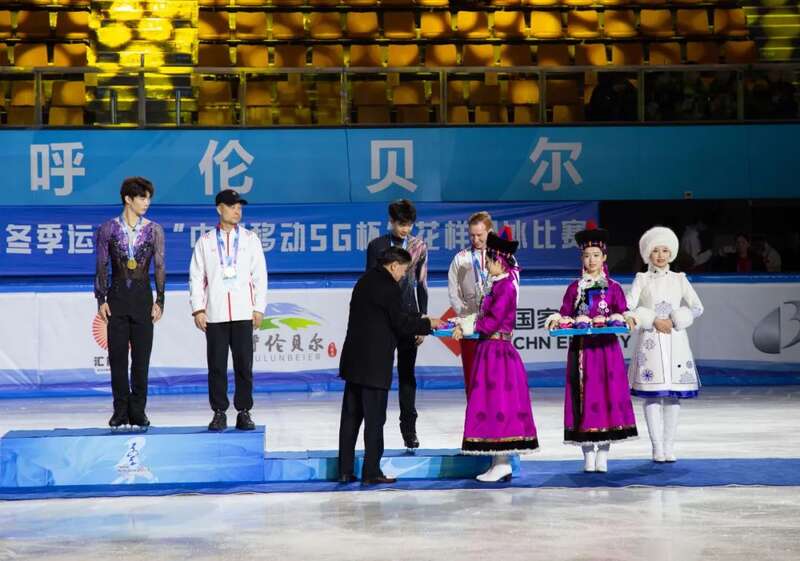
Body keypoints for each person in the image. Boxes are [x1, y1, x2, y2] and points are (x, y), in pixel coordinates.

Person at [338, 247, 441, 485]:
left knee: (351, 419)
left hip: (353, 362)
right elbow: (401, 323)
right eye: (403, 271)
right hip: (374, 365)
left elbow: (388, 317)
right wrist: (428, 324)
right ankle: (371, 472)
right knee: (374, 420)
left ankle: (344, 470)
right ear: (394, 266)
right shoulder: (389, 287)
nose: (403, 275)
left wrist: (419, 320)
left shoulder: (364, 281)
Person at [546, 222, 637, 473]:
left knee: (607, 397)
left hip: (607, 352)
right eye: (587, 255)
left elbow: (623, 311)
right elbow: (565, 313)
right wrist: (557, 319)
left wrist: (628, 318)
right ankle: (587, 453)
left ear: (604, 257)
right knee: (583, 399)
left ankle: (603, 454)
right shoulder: (574, 288)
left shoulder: (614, 288)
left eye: (596, 255)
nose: (591, 260)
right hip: (582, 352)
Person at [453, 228, 539, 482]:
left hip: (498, 354)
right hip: (489, 351)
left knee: (499, 403)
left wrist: (468, 326)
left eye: (490, 261)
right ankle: (497, 461)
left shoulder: (506, 288)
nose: (486, 264)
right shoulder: (496, 285)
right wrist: (465, 322)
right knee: (490, 404)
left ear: (500, 262)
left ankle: (502, 462)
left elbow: (491, 322)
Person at [189, 189, 268, 431]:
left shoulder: (250, 239)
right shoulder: (205, 242)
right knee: (216, 366)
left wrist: (258, 308)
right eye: (232, 206)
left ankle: (244, 411)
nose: (237, 211)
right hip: (215, 313)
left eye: (239, 207)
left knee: (244, 364)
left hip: (244, 312)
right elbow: (196, 277)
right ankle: (219, 412)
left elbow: (260, 275)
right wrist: (198, 309)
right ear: (219, 208)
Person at [627, 227, 704, 463]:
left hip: (675, 339)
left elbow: (697, 307)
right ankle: (656, 447)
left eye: (664, 250)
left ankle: (669, 446)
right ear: (647, 254)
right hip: (651, 340)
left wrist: (677, 318)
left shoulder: (679, 279)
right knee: (653, 395)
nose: (660, 255)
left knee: (673, 396)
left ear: (671, 253)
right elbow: (628, 306)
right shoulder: (642, 279)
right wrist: (650, 319)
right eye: (655, 250)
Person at [95, 177, 165, 430]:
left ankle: (138, 410)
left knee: (141, 359)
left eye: (149, 198)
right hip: (116, 297)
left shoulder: (154, 230)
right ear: (128, 199)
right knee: (117, 359)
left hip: (143, 297)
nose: (147, 203)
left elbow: (160, 266)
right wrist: (101, 298)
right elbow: (101, 265)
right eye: (142, 198)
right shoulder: (108, 229)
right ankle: (120, 410)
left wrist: (160, 299)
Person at [365, 199, 428, 449]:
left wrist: (422, 318)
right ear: (391, 221)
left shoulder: (418, 246)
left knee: (407, 376)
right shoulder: (377, 246)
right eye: (401, 224)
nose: (405, 229)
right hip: (383, 320)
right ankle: (375, 427)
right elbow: (369, 285)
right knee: (379, 375)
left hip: (410, 317)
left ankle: (409, 430)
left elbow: (422, 284)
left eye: (409, 224)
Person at [447, 211, 493, 393]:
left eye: (480, 235)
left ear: (489, 232)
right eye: (472, 235)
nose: (475, 239)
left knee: (494, 379)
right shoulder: (461, 258)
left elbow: (513, 290)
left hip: (494, 326)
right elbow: (453, 293)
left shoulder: (502, 258)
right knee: (472, 378)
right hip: (469, 327)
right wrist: (466, 318)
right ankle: (473, 412)